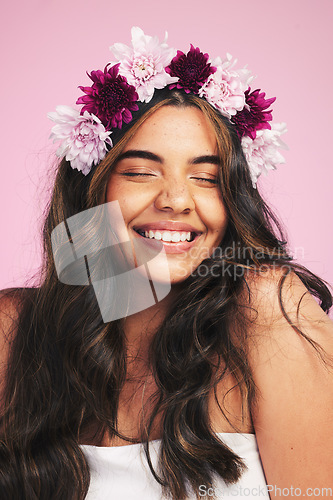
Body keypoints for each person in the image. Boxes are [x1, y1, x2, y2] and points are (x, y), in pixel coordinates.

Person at [1, 27, 333, 500]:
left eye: (207, 177)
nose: (177, 200)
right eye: (139, 172)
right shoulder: (14, 334)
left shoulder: (268, 312)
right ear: (90, 192)